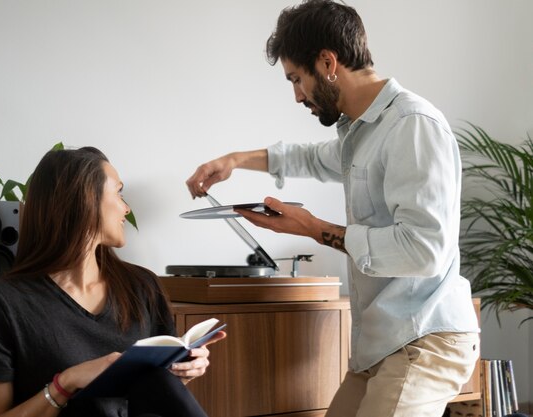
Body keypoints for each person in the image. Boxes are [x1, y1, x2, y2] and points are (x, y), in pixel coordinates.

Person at [185, 1, 479, 416]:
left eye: (297, 79)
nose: (297, 95)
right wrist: (233, 160)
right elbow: (309, 158)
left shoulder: (413, 125)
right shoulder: (360, 134)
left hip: (425, 338)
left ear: (328, 62)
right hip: (381, 344)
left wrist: (311, 228)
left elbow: (423, 250)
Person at [0, 146, 225, 417]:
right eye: (119, 192)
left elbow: (155, 393)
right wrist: (65, 384)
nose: (126, 208)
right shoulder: (4, 303)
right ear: (85, 199)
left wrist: (185, 371)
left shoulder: (142, 286)